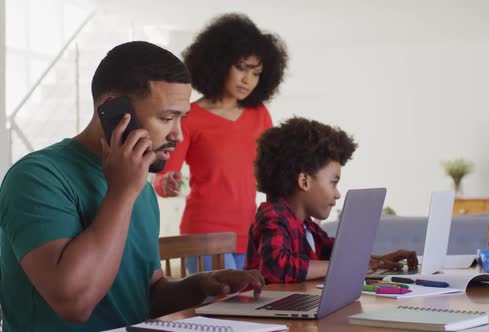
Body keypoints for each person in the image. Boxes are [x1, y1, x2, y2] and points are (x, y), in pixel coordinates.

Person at [0, 41, 264, 331]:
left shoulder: (140, 186)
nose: (177, 134)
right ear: (112, 109)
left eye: (181, 118)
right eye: (166, 118)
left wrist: (202, 285)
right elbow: (74, 303)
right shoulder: (37, 178)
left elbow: (144, 296)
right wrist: (121, 193)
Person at [152, 13, 288, 273]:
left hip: (251, 234)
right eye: (241, 68)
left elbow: (276, 176)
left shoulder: (260, 115)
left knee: (247, 313)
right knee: (214, 311)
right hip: (204, 236)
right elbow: (164, 174)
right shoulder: (190, 116)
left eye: (256, 73)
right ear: (218, 62)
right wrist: (166, 182)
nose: (247, 80)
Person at [245, 117, 418, 283]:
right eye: (333, 183)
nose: (337, 194)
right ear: (304, 181)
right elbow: (277, 267)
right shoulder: (272, 217)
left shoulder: (307, 226)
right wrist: (347, 266)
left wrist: (377, 260)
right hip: (265, 310)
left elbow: (336, 253)